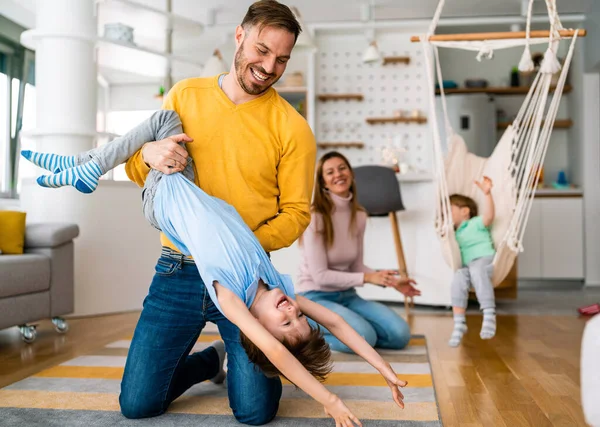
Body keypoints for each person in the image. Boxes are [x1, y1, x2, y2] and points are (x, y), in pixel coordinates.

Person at [25, 2, 313, 425]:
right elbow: (141, 173)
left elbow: (296, 214)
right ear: (239, 36)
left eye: (281, 59)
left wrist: (230, 245)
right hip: (176, 270)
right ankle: (210, 362)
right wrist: (149, 153)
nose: (269, 66)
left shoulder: (292, 127)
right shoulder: (186, 94)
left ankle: (231, 362)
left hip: (247, 280)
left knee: (255, 411)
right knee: (138, 405)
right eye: (262, 50)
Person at [21, 115, 409, 427]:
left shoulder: (231, 300)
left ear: (256, 331)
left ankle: (87, 165)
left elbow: (275, 350)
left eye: (286, 323)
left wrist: (331, 400)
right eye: (299, 317)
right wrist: (384, 369)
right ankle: (83, 165)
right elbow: (340, 325)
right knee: (167, 119)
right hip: (183, 186)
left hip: (164, 196)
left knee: (256, 413)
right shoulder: (276, 286)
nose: (292, 311)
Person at [295, 151, 421, 353]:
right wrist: (369, 278)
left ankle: (353, 334)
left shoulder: (359, 214)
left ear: (352, 174)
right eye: (330, 172)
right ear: (323, 183)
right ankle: (303, 337)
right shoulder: (315, 217)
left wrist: (390, 281)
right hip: (314, 297)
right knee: (364, 337)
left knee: (400, 334)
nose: (338, 174)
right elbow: (320, 276)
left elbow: (356, 265)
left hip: (347, 295)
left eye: (342, 168)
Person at [447, 176, 497, 347]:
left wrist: (487, 194)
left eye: (450, 210)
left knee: (477, 270)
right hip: (468, 265)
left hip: (484, 260)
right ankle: (459, 323)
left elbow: (489, 216)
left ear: (465, 211)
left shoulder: (475, 223)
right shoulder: (453, 233)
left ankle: (489, 314)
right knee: (459, 276)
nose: (447, 214)